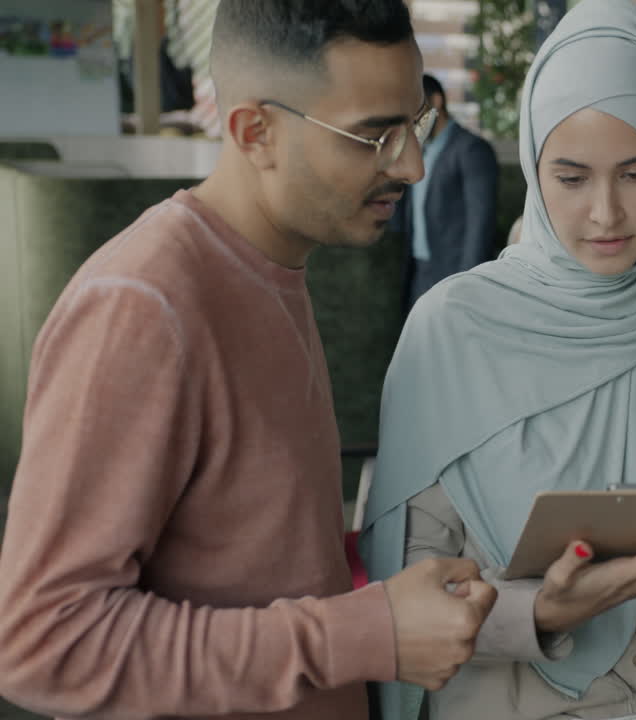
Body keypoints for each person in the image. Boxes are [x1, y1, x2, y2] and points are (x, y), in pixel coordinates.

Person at [0, 3, 496, 719]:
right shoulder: (143, 308)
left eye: (413, 125)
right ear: (254, 132)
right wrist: (360, 634)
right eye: (372, 137)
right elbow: (43, 643)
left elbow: (260, 560)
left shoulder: (274, 269)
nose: (411, 165)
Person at [360, 1, 636, 718]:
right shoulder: (450, 332)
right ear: (532, 166)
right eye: (573, 177)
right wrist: (542, 614)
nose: (607, 215)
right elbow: (401, 604)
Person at [400, 72, 499, 312]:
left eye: (414, 108)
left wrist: (466, 284)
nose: (410, 118)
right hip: (420, 270)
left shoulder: (471, 150)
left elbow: (480, 223)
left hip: (455, 272)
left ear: (436, 102)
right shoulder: (421, 152)